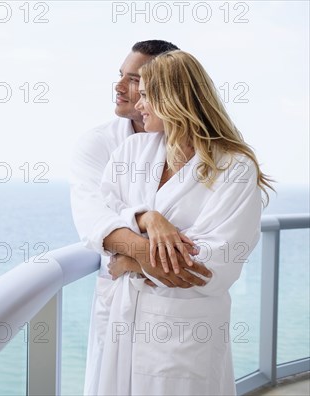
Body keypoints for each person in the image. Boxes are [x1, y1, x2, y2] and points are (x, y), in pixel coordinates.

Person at [86, 50, 273, 395]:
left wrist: (131, 258)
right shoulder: (131, 153)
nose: (138, 106)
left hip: (184, 332)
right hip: (121, 321)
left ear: (173, 98)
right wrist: (144, 217)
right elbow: (100, 215)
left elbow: (211, 264)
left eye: (145, 95)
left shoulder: (233, 167)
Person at [70, 40, 212, 394]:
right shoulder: (99, 144)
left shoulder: (210, 157)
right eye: (122, 76)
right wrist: (146, 225)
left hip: (175, 312)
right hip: (119, 301)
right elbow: (93, 219)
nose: (120, 87)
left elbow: (204, 257)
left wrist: (133, 262)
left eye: (135, 81)